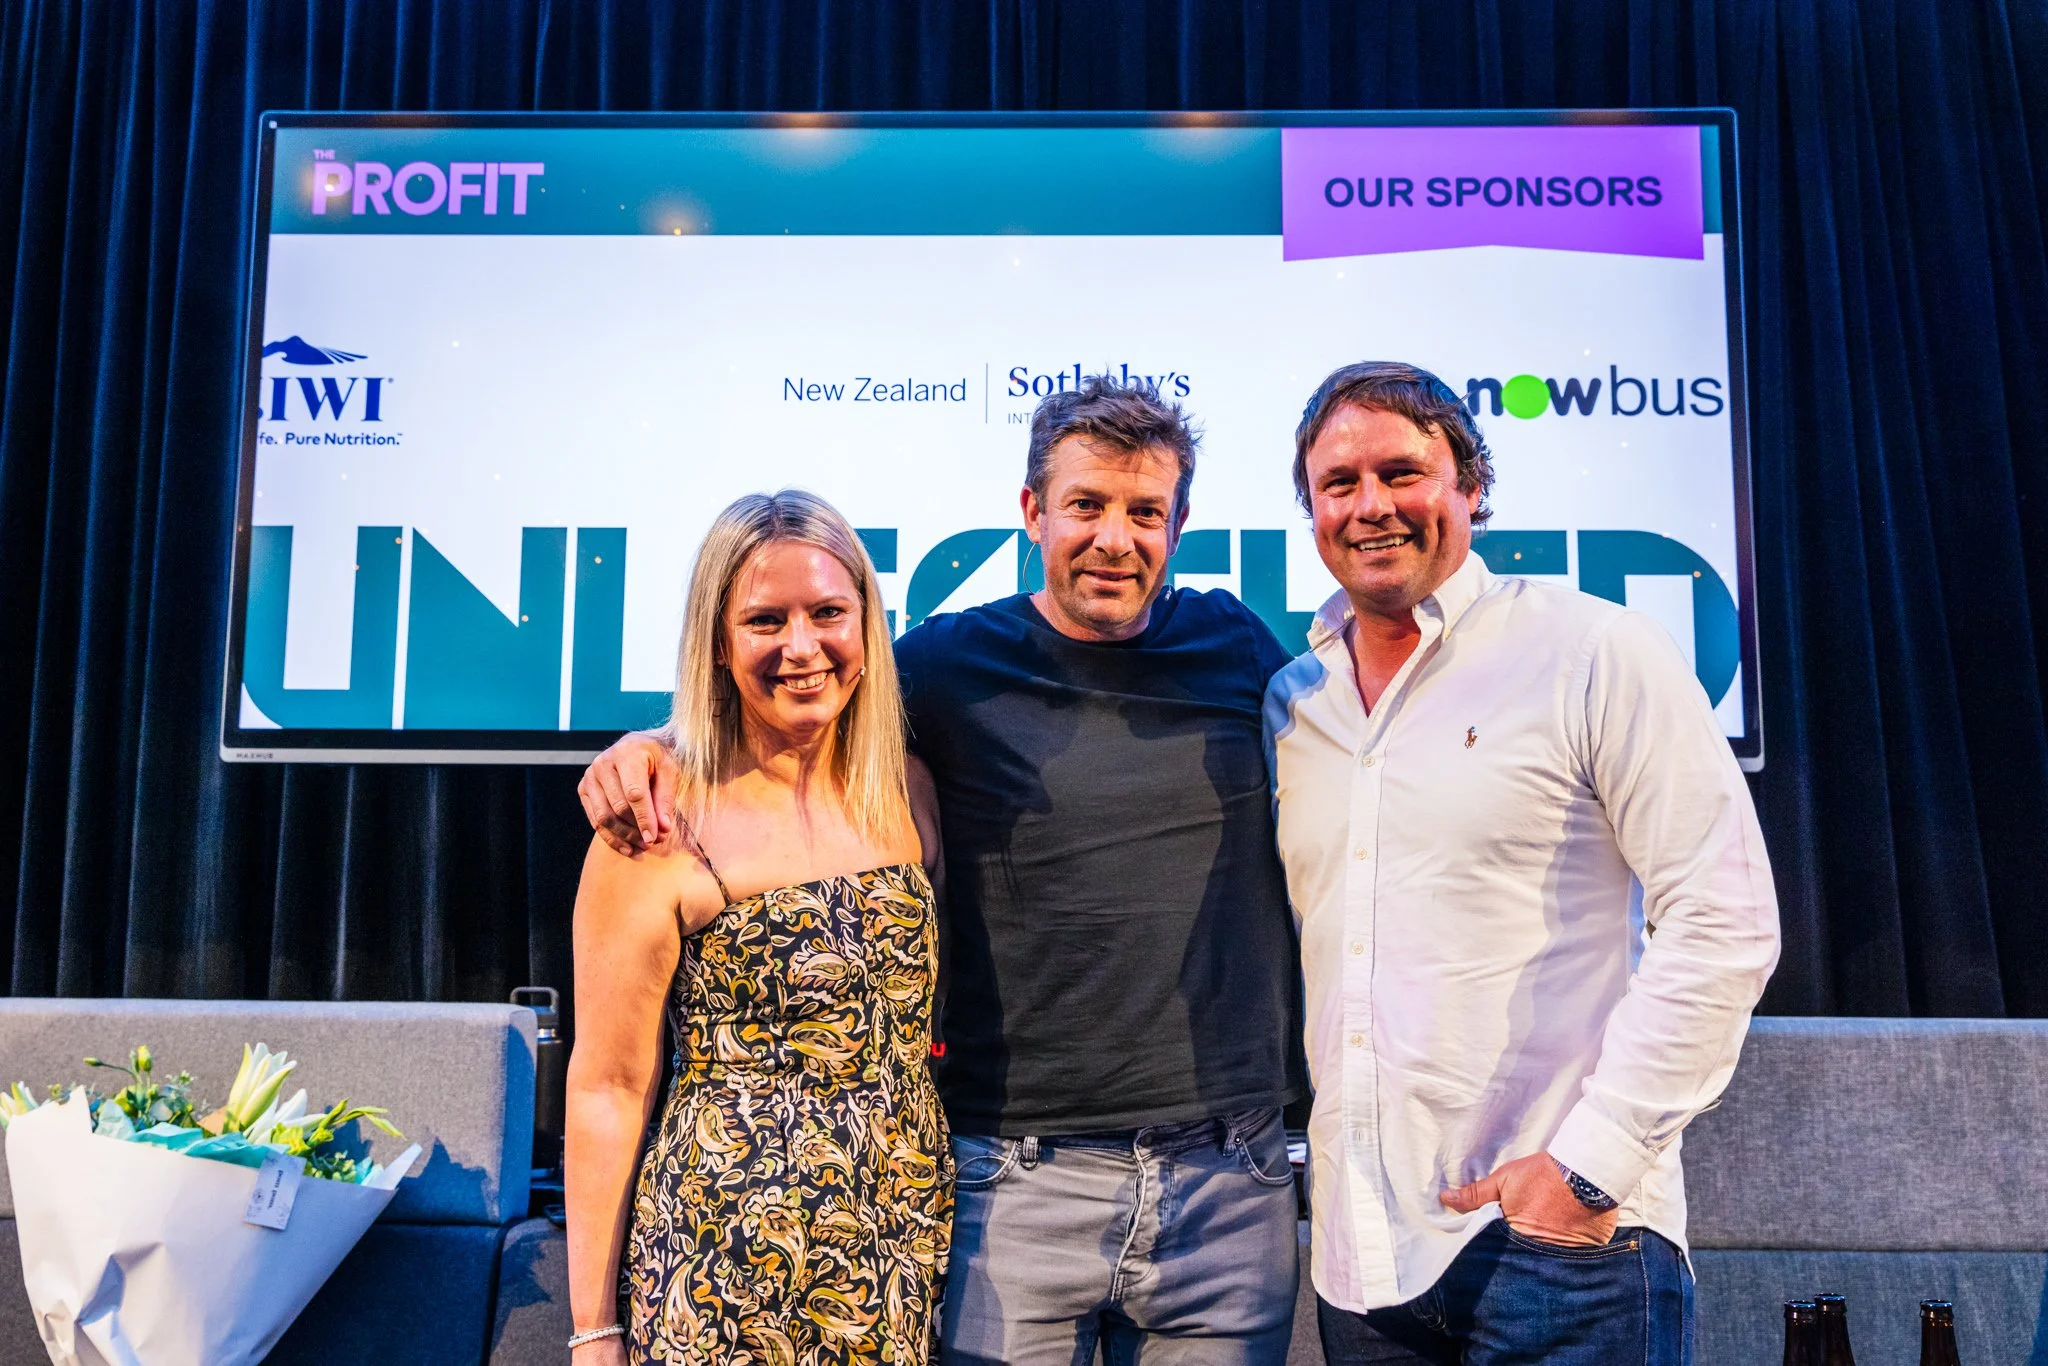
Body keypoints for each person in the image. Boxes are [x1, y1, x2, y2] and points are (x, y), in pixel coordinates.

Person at [578, 377, 1306, 1365]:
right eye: (1084, 506)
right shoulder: (948, 665)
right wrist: (656, 745)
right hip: (1009, 1184)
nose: (1113, 537)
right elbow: (797, 689)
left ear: (1180, 523)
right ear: (1030, 512)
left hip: (1224, 1180)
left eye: (1144, 512)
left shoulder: (1239, 646)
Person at [1266, 362, 1781, 1364]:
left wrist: (1587, 1167)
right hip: (1360, 1263)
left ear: (1467, 484)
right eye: (1338, 483)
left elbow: (1722, 919)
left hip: (1563, 1253)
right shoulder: (1294, 702)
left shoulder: (1591, 650)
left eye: (1400, 472)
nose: (1370, 505)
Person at [562, 490, 950, 1366]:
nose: (801, 647)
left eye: (827, 614)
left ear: (867, 627)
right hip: (720, 1267)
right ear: (718, 641)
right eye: (765, 620)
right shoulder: (654, 822)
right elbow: (606, 1089)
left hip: (899, 1246)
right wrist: (593, 1332)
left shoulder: (908, 791)